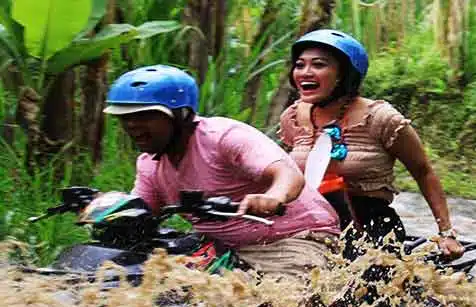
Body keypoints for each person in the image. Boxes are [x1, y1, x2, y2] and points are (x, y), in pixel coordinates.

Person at [103, 64, 340, 277]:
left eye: (145, 116)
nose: (133, 125)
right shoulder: (149, 163)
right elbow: (142, 212)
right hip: (218, 248)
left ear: (181, 116)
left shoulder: (223, 137)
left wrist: (273, 198)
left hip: (295, 239)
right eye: (126, 118)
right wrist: (105, 210)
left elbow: (289, 175)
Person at [278, 29, 463, 260]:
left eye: (318, 65)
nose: (305, 72)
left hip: (372, 226)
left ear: (344, 75)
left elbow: (423, 172)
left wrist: (446, 232)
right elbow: (282, 173)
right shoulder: (293, 117)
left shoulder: (381, 118)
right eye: (299, 65)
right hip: (310, 224)